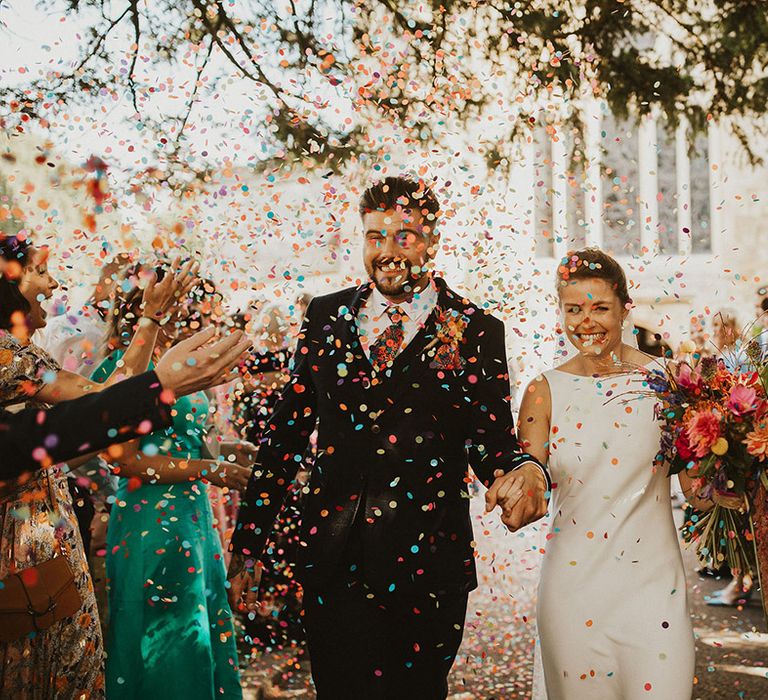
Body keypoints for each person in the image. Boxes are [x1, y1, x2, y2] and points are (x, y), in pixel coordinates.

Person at [228, 175, 549, 699]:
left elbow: (490, 439)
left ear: (432, 241)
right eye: (375, 236)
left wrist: (523, 470)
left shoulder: (475, 329)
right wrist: (248, 546)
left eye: (405, 235)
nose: (388, 251)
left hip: (429, 563)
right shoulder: (325, 316)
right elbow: (284, 439)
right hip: (333, 561)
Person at [0, 234, 200, 699]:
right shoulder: (8, 355)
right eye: (41, 272)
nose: (53, 284)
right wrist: (150, 322)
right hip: (28, 553)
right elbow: (107, 402)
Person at [516, 249, 695, 700]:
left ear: (624, 308)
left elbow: (698, 492)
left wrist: (738, 464)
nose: (586, 321)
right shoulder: (543, 391)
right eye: (574, 309)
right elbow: (531, 477)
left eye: (600, 308)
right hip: (573, 593)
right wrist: (518, 493)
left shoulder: (668, 382)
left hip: (655, 592)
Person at [92, 268, 248, 699]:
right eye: (189, 304)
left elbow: (187, 439)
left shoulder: (188, 368)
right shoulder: (123, 369)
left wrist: (231, 453)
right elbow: (122, 462)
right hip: (148, 521)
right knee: (163, 635)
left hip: (193, 520)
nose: (196, 315)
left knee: (199, 623)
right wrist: (208, 471)